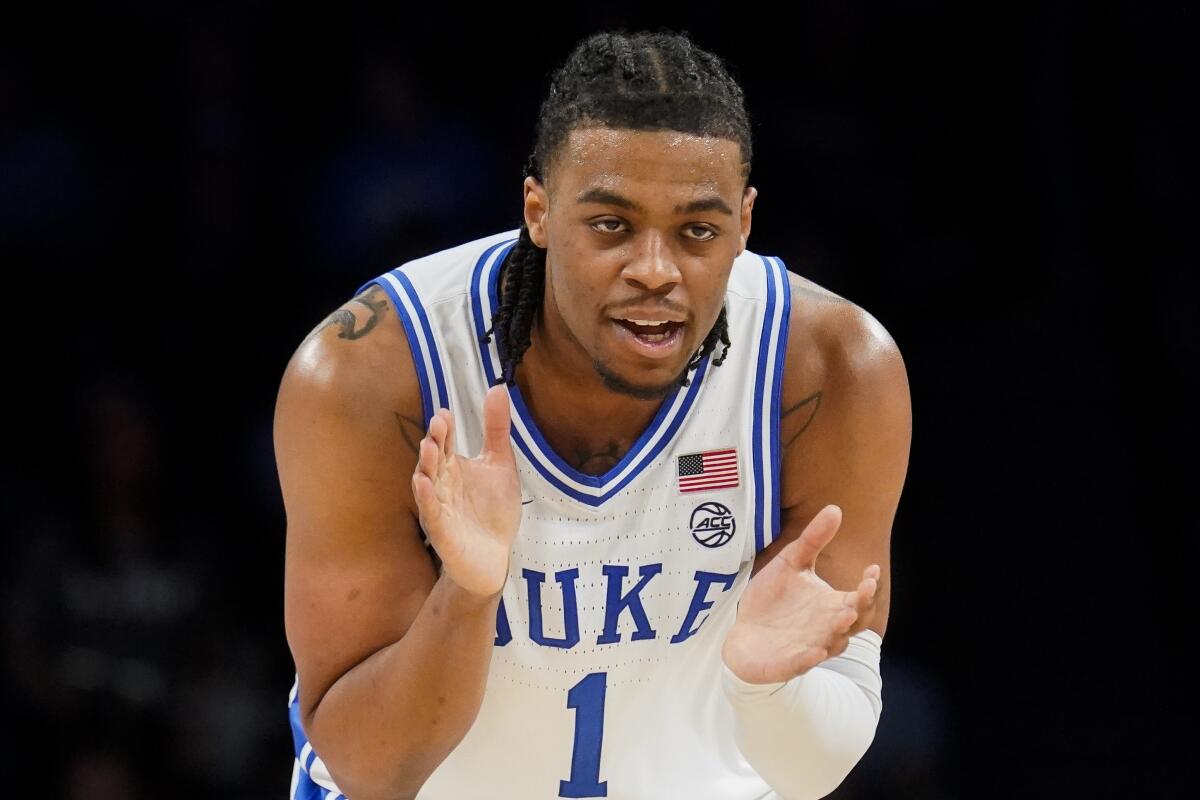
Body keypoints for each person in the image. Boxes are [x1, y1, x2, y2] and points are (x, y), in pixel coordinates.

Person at [274, 29, 912, 800]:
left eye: (697, 232)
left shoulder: (832, 371)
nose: (654, 270)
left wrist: (764, 688)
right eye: (611, 225)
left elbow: (814, 769)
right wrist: (469, 594)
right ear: (537, 210)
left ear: (744, 224)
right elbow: (368, 768)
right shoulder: (372, 373)